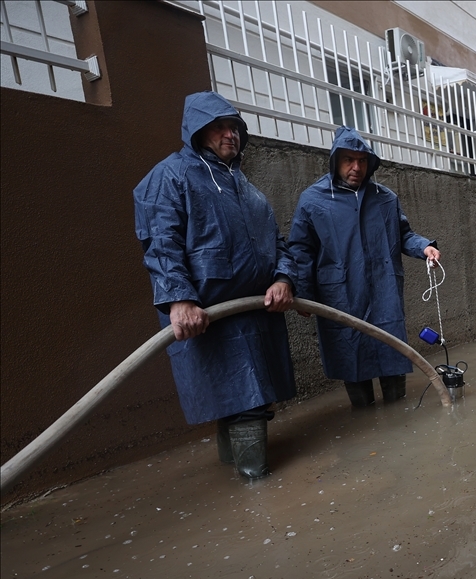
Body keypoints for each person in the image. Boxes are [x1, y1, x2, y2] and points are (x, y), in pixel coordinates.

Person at [134, 91, 297, 480]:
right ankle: (257, 489)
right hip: (209, 314)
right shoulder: (170, 177)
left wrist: (283, 278)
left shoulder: (247, 188)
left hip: (255, 311)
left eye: (235, 127)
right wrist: (179, 300)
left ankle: (248, 482)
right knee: (240, 401)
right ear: (198, 130)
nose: (230, 135)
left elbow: (277, 244)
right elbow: (161, 242)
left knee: (249, 400)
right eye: (220, 127)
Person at [289, 127, 441, 406]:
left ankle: (398, 420)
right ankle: (364, 412)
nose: (356, 167)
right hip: (341, 295)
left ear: (370, 163)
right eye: (348, 160)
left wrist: (424, 247)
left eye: (361, 161)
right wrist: (302, 292)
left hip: (383, 291)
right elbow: (301, 250)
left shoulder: (386, 198)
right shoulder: (313, 200)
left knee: (392, 353)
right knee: (352, 359)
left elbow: (403, 234)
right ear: (335, 161)